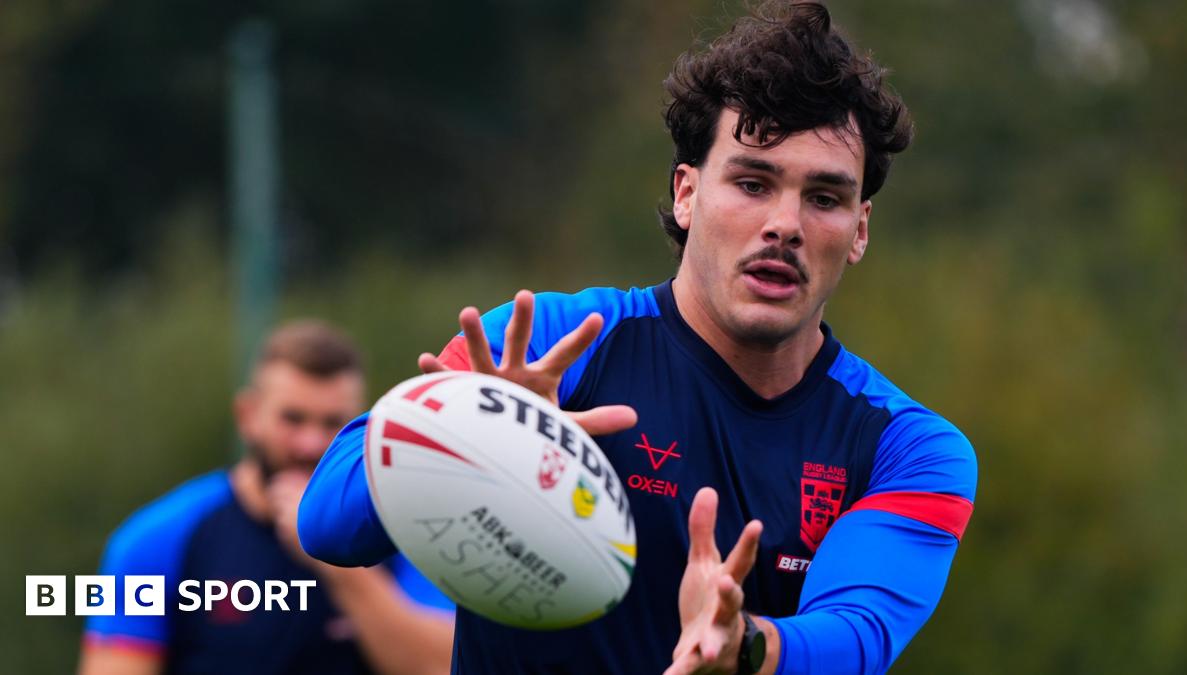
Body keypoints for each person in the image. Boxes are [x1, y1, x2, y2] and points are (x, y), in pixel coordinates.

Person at [298, 2, 976, 673]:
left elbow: (859, 635)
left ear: (859, 229)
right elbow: (327, 523)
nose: (785, 223)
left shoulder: (907, 447)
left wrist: (741, 645)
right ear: (687, 193)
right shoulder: (547, 344)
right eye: (751, 182)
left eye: (824, 198)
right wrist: (464, 435)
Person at [79, 321, 455, 675]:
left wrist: (336, 562)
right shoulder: (160, 538)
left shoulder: (403, 530)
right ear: (248, 417)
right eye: (292, 419)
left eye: (331, 423)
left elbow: (442, 666)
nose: (310, 443)